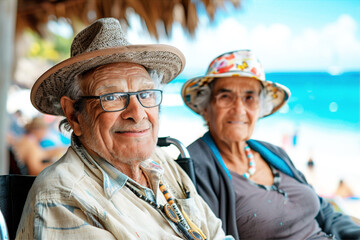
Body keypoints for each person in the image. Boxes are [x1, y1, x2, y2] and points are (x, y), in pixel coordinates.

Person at [16, 18, 232, 240]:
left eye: (145, 94)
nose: (137, 113)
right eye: (112, 97)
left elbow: (216, 233)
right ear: (74, 115)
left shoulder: (160, 161)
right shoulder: (63, 197)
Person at [181, 50, 360, 239]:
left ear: (260, 108)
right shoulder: (195, 167)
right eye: (225, 96)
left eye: (249, 98)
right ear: (205, 107)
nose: (239, 109)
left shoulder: (273, 153)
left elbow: (325, 212)